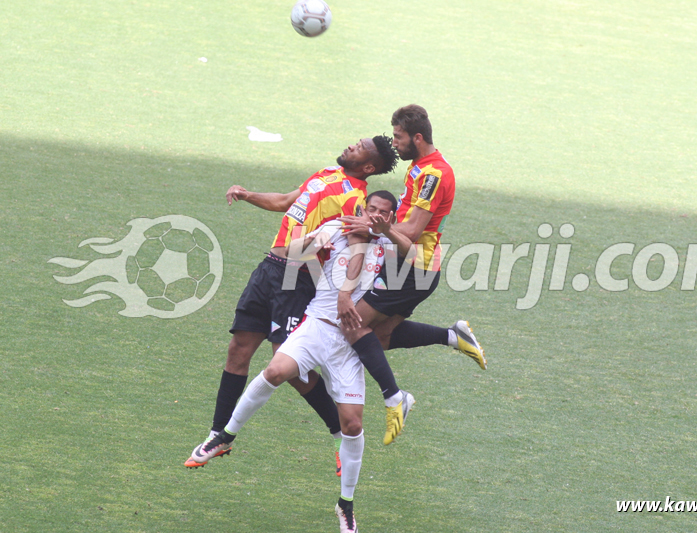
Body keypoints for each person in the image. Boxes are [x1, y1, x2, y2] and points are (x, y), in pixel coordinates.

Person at [190, 192, 402, 533]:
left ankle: (345, 505)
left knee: (352, 426)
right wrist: (320, 239)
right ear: (362, 209)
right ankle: (225, 436)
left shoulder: (391, 245)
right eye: (370, 209)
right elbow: (290, 252)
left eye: (382, 214)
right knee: (276, 370)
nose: (373, 216)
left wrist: (379, 235)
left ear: (390, 218)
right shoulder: (337, 228)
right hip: (317, 325)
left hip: (349, 342)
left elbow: (419, 258)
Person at [185, 135, 399, 469]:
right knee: (238, 349)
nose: (349, 146)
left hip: (298, 277)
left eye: (358, 148)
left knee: (286, 366)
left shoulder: (355, 200)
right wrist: (248, 194)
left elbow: (354, 247)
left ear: (369, 166)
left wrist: (340, 289)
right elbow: (287, 201)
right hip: (269, 269)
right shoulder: (325, 174)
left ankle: (339, 435)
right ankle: (218, 434)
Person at [337, 105, 487, 447]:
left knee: (352, 324)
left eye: (400, 137)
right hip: (411, 266)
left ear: (417, 138)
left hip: (413, 268)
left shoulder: (433, 175)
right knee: (382, 337)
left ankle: (394, 398)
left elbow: (414, 228)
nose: (395, 143)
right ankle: (453, 337)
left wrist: (370, 227)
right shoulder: (421, 168)